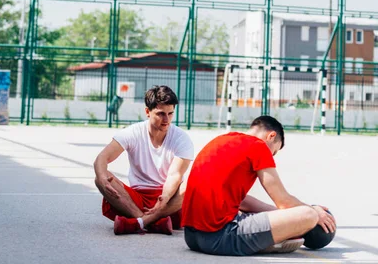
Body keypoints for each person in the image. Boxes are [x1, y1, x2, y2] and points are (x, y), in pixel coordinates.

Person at [182, 115, 336, 256]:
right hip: (220, 237)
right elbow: (283, 200)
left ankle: (269, 238)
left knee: (289, 214)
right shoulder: (258, 146)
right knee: (307, 216)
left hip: (192, 237)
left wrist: (281, 216)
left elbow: (243, 201)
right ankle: (270, 241)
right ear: (271, 136)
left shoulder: (221, 140)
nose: (271, 156)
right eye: (274, 152)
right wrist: (314, 211)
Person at [94, 85, 194, 235]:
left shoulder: (182, 138)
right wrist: (102, 177)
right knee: (101, 178)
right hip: (135, 201)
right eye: (161, 114)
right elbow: (102, 158)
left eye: (170, 114)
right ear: (147, 111)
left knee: (192, 182)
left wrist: (164, 198)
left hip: (168, 202)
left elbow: (175, 175)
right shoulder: (133, 132)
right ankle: (150, 222)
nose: (166, 119)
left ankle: (140, 223)